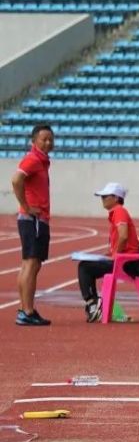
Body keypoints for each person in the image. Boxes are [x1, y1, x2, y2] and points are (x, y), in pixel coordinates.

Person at [77, 183, 139, 323]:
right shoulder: (117, 212)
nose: (102, 199)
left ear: (116, 198)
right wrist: (109, 254)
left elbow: (123, 236)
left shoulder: (119, 211)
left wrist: (116, 255)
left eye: (105, 196)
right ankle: (96, 304)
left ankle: (93, 304)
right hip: (127, 260)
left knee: (84, 267)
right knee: (88, 264)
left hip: (126, 262)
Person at [11, 124, 55, 326]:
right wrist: (26, 206)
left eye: (50, 139)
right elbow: (16, 179)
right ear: (34, 141)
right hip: (33, 219)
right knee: (31, 263)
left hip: (36, 219)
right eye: (43, 139)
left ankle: (24, 309)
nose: (48, 143)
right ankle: (27, 310)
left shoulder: (41, 161)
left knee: (30, 264)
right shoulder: (33, 160)